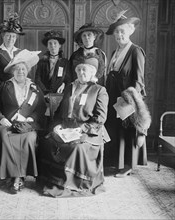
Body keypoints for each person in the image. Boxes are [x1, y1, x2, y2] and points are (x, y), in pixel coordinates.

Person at [38, 56, 109, 198]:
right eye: (79, 69)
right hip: (67, 128)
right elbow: (59, 112)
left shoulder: (99, 90)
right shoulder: (70, 87)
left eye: (85, 70)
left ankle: (70, 183)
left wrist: (82, 129)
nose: (82, 72)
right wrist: (57, 126)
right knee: (48, 142)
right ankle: (51, 180)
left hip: (89, 130)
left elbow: (100, 118)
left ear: (92, 73)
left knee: (76, 147)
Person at [0, 49, 46, 194]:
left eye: (23, 69)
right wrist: (1, 118)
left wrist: (32, 118)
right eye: (17, 69)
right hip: (7, 124)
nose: (20, 71)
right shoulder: (5, 85)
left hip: (28, 125)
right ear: (13, 72)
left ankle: (20, 177)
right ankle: (13, 176)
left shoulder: (34, 87)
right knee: (6, 139)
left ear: (27, 71)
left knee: (29, 140)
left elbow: (41, 108)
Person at [104, 11, 149, 177]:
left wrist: (129, 101)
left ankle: (128, 165)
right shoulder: (115, 52)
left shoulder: (136, 51)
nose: (119, 35)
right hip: (112, 95)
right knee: (114, 129)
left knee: (127, 130)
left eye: (122, 31)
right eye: (116, 32)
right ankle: (115, 162)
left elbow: (138, 80)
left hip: (127, 98)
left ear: (130, 31)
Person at [0, 12, 24, 91]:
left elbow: (24, 71)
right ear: (3, 36)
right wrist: (2, 86)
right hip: (2, 89)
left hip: (19, 89)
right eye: (8, 36)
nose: (11, 39)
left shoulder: (20, 52)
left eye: (13, 36)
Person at [35, 30, 70, 95]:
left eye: (55, 43)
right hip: (44, 94)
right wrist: (45, 92)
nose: (52, 46)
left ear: (59, 45)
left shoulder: (65, 62)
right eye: (50, 43)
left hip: (59, 94)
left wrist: (63, 84)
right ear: (47, 47)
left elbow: (68, 79)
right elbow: (37, 79)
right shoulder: (42, 62)